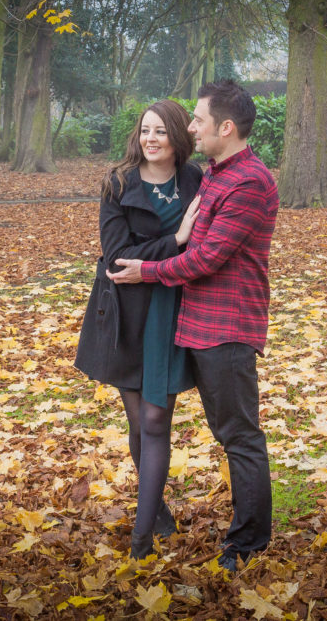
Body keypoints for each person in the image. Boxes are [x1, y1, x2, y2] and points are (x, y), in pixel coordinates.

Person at [106, 80, 278, 572]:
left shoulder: (248, 182)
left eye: (198, 119)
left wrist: (146, 270)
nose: (191, 127)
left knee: (239, 436)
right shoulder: (216, 175)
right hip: (193, 325)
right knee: (190, 427)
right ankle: (162, 519)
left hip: (225, 328)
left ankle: (248, 544)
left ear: (226, 127)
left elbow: (206, 257)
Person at [74, 99, 203, 561]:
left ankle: (141, 536)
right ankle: (157, 515)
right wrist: (176, 241)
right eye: (145, 130)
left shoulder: (195, 180)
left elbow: (201, 246)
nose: (150, 139)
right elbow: (116, 257)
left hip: (176, 308)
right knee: (139, 421)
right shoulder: (118, 183)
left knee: (154, 419)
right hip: (127, 312)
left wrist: (164, 254)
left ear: (177, 138)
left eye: (160, 132)